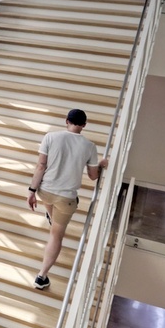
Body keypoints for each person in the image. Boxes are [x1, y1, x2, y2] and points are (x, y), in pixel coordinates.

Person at [27, 108, 109, 290]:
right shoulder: (89, 146)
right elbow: (93, 176)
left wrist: (32, 191)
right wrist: (101, 164)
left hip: (45, 190)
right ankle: (42, 277)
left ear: (66, 121)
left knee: (50, 204)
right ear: (84, 125)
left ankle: (51, 215)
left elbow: (41, 166)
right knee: (56, 236)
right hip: (66, 197)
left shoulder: (50, 137)